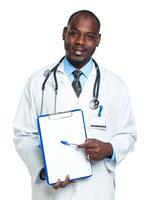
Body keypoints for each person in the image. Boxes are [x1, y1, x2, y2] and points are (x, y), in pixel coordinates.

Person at [13, 10, 137, 200]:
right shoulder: (38, 82)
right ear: (64, 33)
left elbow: (128, 134)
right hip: (52, 193)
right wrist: (44, 171)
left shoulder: (115, 86)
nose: (80, 41)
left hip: (97, 192)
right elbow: (23, 135)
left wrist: (109, 149)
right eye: (74, 33)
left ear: (98, 40)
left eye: (89, 36)